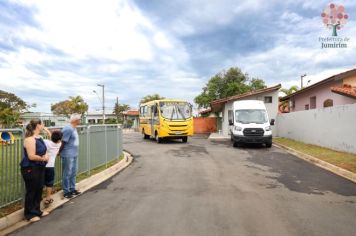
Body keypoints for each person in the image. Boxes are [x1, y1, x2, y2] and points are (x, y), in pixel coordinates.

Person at [20, 119, 50, 222]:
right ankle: (29, 214)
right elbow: (31, 156)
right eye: (43, 124)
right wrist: (43, 158)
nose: (44, 126)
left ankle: (37, 211)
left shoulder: (40, 138)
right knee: (32, 190)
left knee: (39, 189)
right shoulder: (29, 140)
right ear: (38, 125)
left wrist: (46, 155)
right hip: (30, 168)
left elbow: (45, 151)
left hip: (40, 167)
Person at [61, 114, 82, 199]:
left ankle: (72, 189)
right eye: (79, 119)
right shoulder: (68, 129)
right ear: (75, 120)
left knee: (73, 172)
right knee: (67, 173)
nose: (80, 120)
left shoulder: (74, 128)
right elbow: (63, 142)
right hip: (67, 154)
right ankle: (66, 191)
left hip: (74, 153)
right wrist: (59, 152)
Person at [42, 128, 63, 207]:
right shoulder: (59, 144)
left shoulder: (46, 142)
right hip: (50, 167)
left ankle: (39, 198)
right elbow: (55, 139)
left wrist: (46, 130)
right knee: (49, 183)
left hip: (43, 165)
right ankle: (48, 198)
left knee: (41, 182)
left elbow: (51, 138)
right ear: (59, 139)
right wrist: (49, 132)